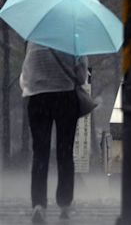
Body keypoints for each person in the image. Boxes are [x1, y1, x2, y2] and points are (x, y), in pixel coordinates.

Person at [20, 42, 89, 223]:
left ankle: (38, 204)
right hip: (65, 98)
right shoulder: (73, 40)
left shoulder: (34, 42)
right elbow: (82, 77)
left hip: (37, 98)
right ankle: (65, 203)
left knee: (40, 153)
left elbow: (25, 77)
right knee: (65, 152)